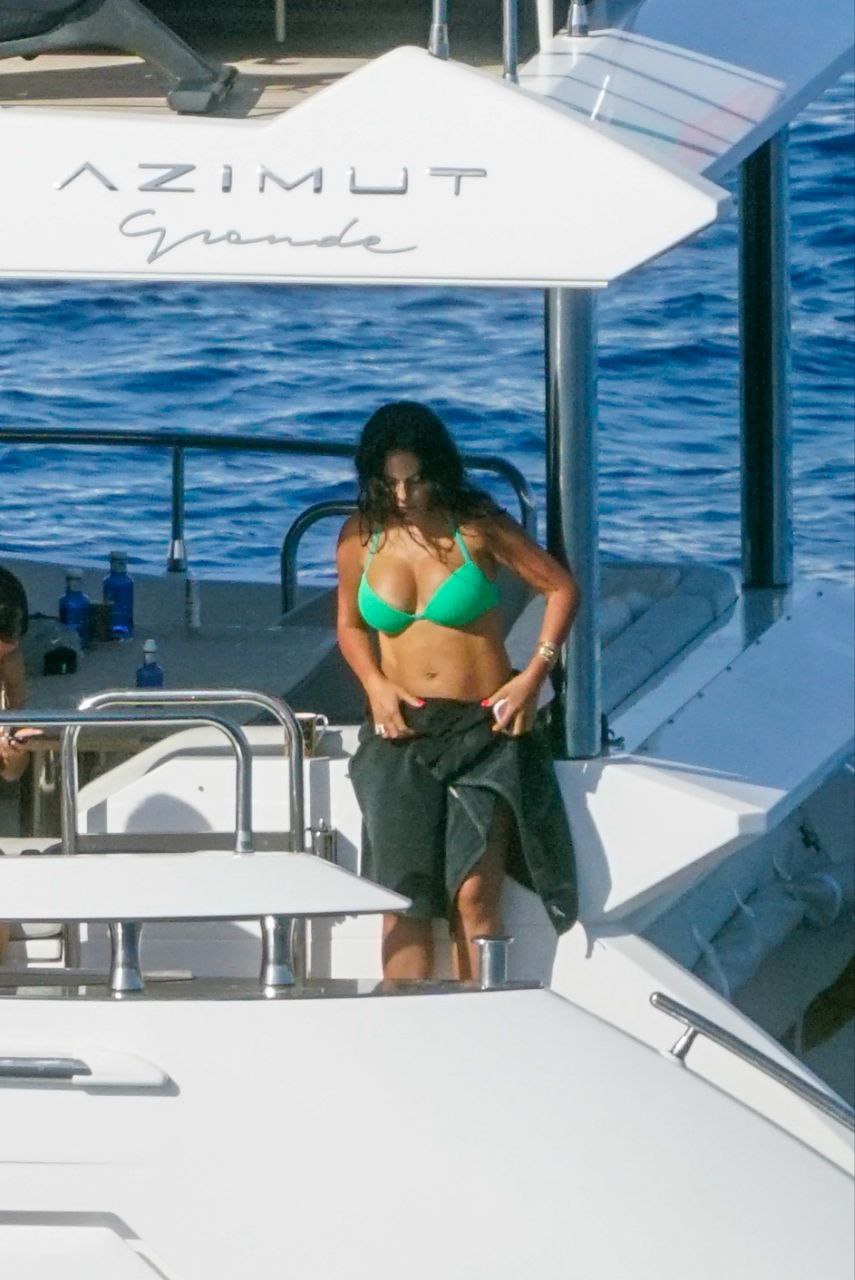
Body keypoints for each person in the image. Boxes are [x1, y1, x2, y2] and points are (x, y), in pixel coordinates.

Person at [337, 401, 580, 981]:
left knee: (474, 894)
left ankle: (483, 1017)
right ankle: (405, 1025)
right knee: (403, 901)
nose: (403, 496)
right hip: (401, 730)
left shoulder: (478, 525)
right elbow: (349, 625)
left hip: (484, 727)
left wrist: (533, 675)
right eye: (390, 483)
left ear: (439, 470)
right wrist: (374, 684)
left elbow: (561, 589)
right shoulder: (360, 536)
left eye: (416, 480)